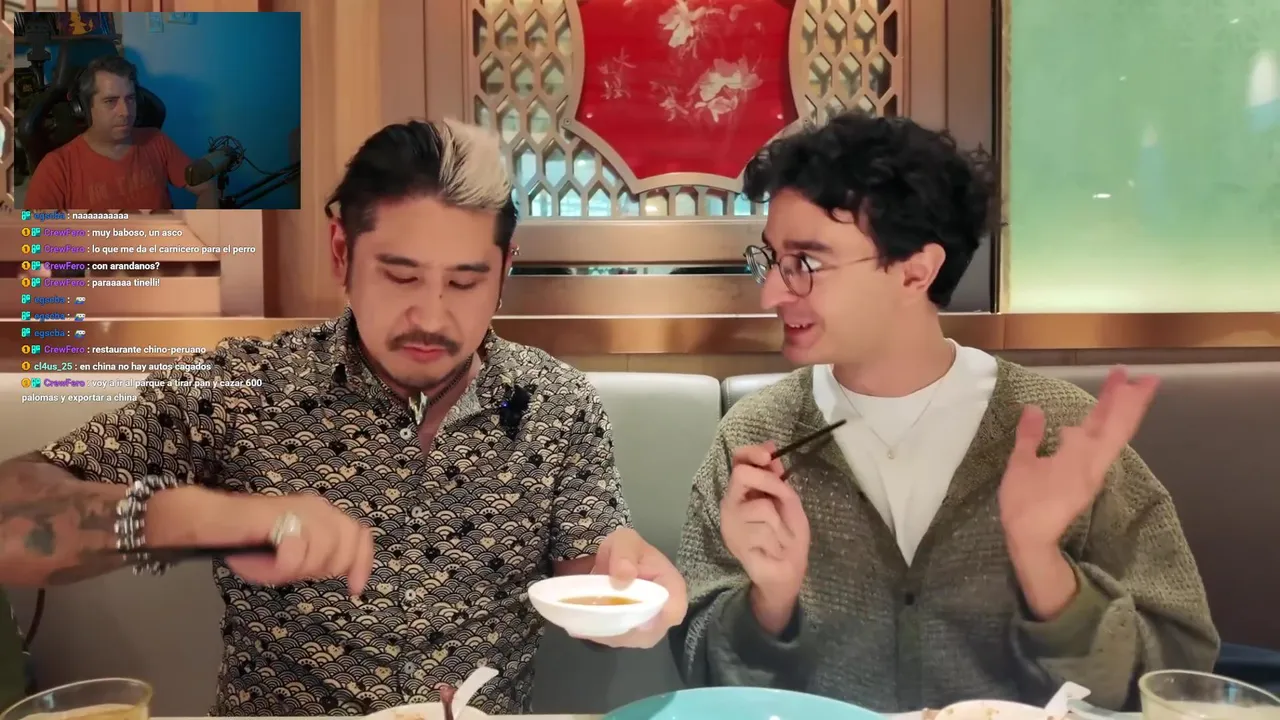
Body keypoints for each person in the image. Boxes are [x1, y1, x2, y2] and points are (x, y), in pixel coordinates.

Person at [0, 118, 686, 715]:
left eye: (465, 281)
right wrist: (203, 518)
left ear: (505, 269)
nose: (431, 316)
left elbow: (592, 578)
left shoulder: (555, 404)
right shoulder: (243, 387)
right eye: (400, 275)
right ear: (341, 253)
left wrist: (632, 594)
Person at [672, 112, 1219, 712]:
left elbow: (1174, 676)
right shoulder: (756, 439)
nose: (772, 293)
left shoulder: (1055, 433)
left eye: (806, 263)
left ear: (916, 271)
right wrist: (769, 603)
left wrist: (1043, 566)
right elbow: (702, 675)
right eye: (771, 259)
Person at [22, 55, 218, 211]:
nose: (125, 112)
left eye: (130, 99)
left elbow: (207, 187)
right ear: (84, 108)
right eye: (110, 101)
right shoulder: (56, 168)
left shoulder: (156, 140)